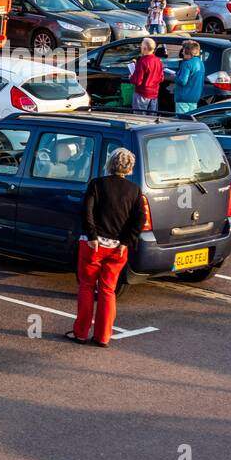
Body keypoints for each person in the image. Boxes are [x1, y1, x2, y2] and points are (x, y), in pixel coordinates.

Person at [67, 147, 145, 347]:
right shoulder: (135, 191)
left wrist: (92, 236)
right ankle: (103, 337)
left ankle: (81, 333)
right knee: (108, 291)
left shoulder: (97, 184)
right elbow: (139, 220)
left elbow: (87, 212)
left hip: (93, 245)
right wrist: (126, 241)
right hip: (117, 248)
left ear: (110, 164)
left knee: (86, 286)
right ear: (130, 168)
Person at [129, 37, 163, 115]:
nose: (140, 47)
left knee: (139, 119)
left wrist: (131, 77)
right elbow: (161, 78)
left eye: (141, 45)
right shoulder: (158, 60)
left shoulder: (143, 61)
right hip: (154, 93)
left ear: (145, 48)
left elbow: (137, 81)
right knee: (151, 119)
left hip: (142, 93)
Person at [172, 40, 205, 115]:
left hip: (183, 97)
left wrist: (175, 77)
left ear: (188, 52)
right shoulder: (200, 63)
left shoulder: (186, 64)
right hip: (195, 97)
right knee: (191, 121)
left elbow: (183, 81)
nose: (182, 53)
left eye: (183, 50)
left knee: (182, 122)